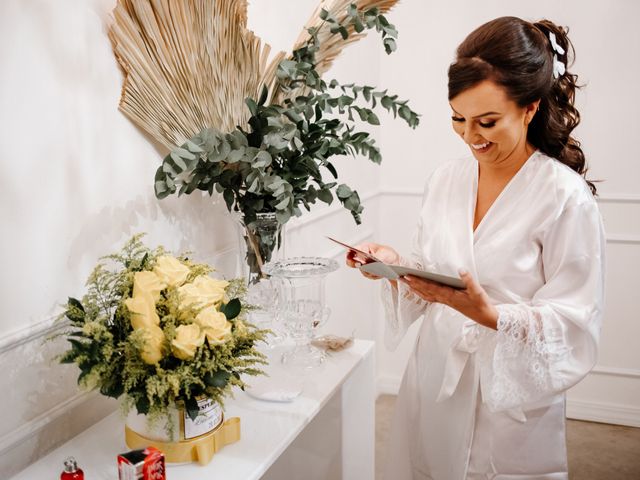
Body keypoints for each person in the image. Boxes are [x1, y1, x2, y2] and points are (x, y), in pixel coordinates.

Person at [346, 16, 605, 480]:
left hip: (510, 398)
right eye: (457, 119)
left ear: (529, 109)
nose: (470, 137)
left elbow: (574, 320)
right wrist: (395, 265)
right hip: (435, 372)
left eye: (487, 121)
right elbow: (435, 271)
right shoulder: (446, 180)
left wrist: (491, 315)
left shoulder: (565, 198)